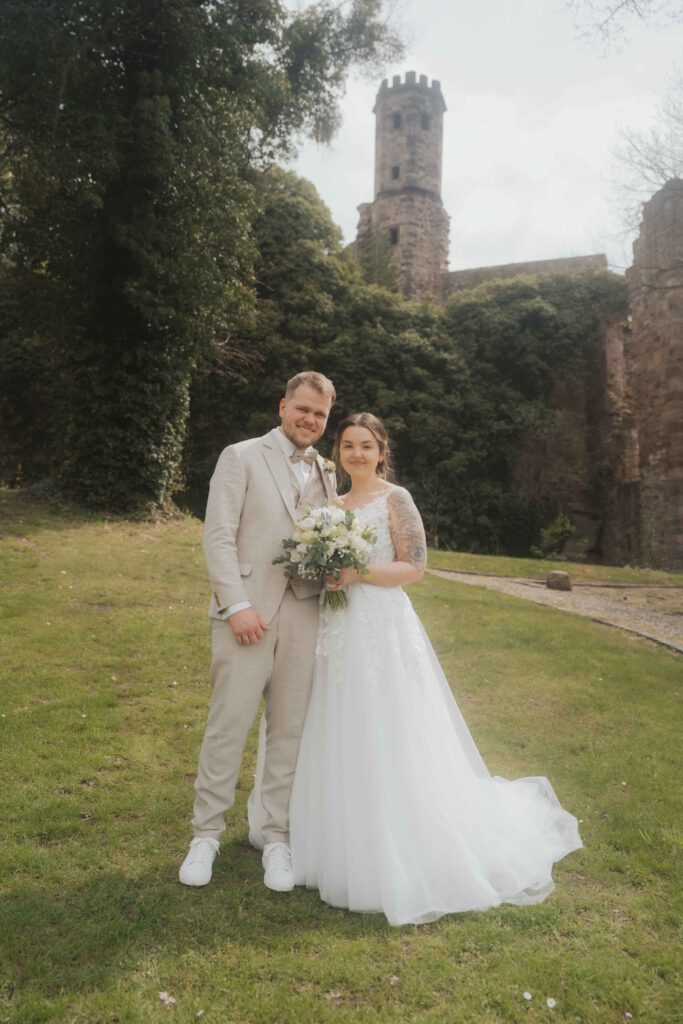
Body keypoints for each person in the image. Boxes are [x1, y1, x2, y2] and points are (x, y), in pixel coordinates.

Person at [249, 412, 582, 926]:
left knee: (390, 726)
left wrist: (357, 571)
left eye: (366, 445)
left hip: (381, 627)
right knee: (332, 722)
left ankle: (401, 843)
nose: (356, 454)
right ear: (338, 451)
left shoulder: (395, 498)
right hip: (333, 630)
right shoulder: (329, 506)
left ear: (382, 451)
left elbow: (415, 566)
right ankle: (322, 838)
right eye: (348, 445)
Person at [179, 371, 337, 892]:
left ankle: (275, 837)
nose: (310, 420)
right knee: (230, 724)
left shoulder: (329, 474)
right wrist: (237, 605)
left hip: (306, 612)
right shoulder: (241, 456)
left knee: (289, 731)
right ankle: (205, 835)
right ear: (283, 406)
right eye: (303, 409)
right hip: (247, 612)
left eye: (320, 414)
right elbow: (218, 537)